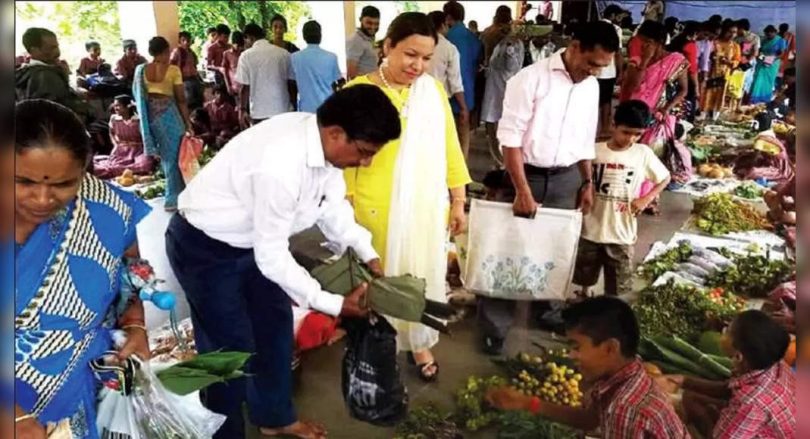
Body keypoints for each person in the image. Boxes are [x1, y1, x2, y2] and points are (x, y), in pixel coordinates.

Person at [165, 84, 401, 439]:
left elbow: (332, 207)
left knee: (274, 332)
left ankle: (274, 417)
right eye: (364, 152)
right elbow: (273, 257)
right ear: (336, 133)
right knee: (229, 350)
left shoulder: (322, 147)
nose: (366, 162)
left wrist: (367, 252)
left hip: (252, 243)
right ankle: (219, 432)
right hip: (204, 248)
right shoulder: (280, 164)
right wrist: (335, 304)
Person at [477, 21, 619, 355]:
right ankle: (495, 328)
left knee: (556, 250)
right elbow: (509, 140)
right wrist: (522, 190)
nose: (595, 72)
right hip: (525, 175)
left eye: (602, 67)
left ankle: (547, 310)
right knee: (508, 253)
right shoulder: (529, 80)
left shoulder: (590, 86)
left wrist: (586, 181)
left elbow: (585, 140)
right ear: (575, 46)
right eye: (592, 63)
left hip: (567, 177)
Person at [344, 12, 471, 382]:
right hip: (372, 207)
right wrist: (345, 205)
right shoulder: (357, 93)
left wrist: (459, 200)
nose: (418, 66)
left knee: (419, 276)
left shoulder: (432, 92)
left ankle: (418, 341)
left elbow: (450, 149)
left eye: (427, 58)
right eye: (410, 55)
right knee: (378, 281)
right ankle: (376, 348)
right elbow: (340, 160)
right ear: (387, 47)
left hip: (425, 207)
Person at [14, 99, 151, 439]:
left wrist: (135, 325)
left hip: (87, 388)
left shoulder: (108, 209)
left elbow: (130, 276)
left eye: (63, 184)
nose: (43, 198)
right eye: (23, 181)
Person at [486, 296, 689, 438]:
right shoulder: (625, 376)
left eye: (576, 347)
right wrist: (527, 403)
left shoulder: (624, 409)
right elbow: (590, 419)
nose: (570, 355)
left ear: (610, 348)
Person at [574, 101, 670, 297]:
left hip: (621, 231)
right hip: (590, 226)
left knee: (618, 282)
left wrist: (646, 198)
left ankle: (611, 307)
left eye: (637, 134)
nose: (631, 139)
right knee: (585, 271)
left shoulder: (643, 153)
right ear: (613, 125)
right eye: (626, 132)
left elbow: (665, 177)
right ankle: (584, 295)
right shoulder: (594, 151)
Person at [663, 310, 795, 438]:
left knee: (693, 405)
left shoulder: (749, 402)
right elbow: (728, 389)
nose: (723, 331)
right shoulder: (773, 363)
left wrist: (698, 414)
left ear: (738, 356)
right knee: (691, 399)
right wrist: (685, 380)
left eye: (727, 331)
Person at [623, 20, 690, 202]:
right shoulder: (636, 61)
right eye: (641, 41)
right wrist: (644, 60)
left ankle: (650, 198)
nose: (643, 45)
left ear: (659, 41)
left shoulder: (676, 61)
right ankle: (632, 193)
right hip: (636, 114)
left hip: (661, 117)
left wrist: (666, 108)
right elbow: (633, 86)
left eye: (647, 41)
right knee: (633, 154)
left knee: (654, 157)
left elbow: (684, 90)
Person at [132, 36, 192, 212]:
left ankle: (174, 196)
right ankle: (175, 198)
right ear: (166, 51)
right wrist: (187, 122)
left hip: (153, 118)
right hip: (170, 115)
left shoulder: (141, 71)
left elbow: (138, 96)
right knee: (177, 155)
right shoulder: (173, 70)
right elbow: (181, 99)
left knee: (167, 156)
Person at [15, 28, 93, 123]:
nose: (57, 52)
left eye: (57, 47)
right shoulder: (44, 76)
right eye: (51, 48)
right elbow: (54, 112)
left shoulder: (25, 74)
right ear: (34, 50)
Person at [481, 9, 524, 164]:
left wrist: (509, 47)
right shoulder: (496, 39)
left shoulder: (511, 44)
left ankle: (503, 164)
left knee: (502, 130)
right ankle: (500, 163)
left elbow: (511, 66)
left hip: (504, 90)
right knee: (495, 127)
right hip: (498, 89)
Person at [236, 23, 295, 128]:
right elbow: (291, 83)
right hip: (282, 110)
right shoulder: (284, 54)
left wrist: (242, 110)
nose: (245, 43)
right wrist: (293, 104)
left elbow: (244, 87)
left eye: (246, 39)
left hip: (259, 112)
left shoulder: (245, 56)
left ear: (251, 37)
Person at [443, 1, 481, 158]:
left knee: (446, 139)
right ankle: (462, 177)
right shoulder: (473, 38)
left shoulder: (446, 39)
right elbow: (477, 65)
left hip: (449, 96)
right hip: (468, 94)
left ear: (448, 17)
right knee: (464, 137)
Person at [93, 95, 155, 179]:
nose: (116, 108)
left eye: (118, 105)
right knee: (111, 165)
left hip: (139, 150)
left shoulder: (138, 120)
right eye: (115, 106)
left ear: (127, 107)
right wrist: (115, 144)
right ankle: (122, 170)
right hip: (121, 150)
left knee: (145, 165)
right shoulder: (114, 119)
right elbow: (111, 133)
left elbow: (147, 137)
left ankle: (123, 170)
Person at [291, 20, 342, 113]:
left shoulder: (295, 58)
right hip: (327, 107)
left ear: (304, 36)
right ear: (320, 35)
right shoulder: (331, 57)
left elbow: (292, 84)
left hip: (306, 109)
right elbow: (339, 82)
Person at [427, 11, 467, 127]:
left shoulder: (417, 43)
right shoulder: (449, 48)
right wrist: (463, 107)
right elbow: (455, 82)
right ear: (443, 24)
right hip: (438, 100)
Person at [596, 4, 625, 138]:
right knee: (606, 101)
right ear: (612, 15)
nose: (619, 19)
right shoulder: (616, 29)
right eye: (618, 16)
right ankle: (605, 128)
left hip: (593, 69)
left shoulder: (594, 26)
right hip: (608, 71)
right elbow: (618, 52)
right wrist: (621, 71)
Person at [704, 21, 740, 119]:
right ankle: (704, 114)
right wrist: (713, 57)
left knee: (720, 95)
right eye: (730, 32)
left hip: (725, 75)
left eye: (735, 32)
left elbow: (737, 61)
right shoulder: (714, 42)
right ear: (724, 31)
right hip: (711, 74)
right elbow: (706, 56)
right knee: (708, 95)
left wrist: (729, 62)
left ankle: (714, 117)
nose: (732, 35)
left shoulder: (735, 46)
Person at [668, 21, 700, 121]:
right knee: (685, 108)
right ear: (695, 33)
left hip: (670, 77)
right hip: (684, 79)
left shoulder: (676, 40)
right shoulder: (690, 45)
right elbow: (692, 69)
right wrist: (696, 87)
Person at [750, 25, 788, 105]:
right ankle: (754, 98)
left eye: (770, 34)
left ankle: (764, 98)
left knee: (768, 81)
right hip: (761, 62)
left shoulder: (780, 41)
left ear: (774, 32)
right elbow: (760, 51)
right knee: (758, 79)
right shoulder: (764, 40)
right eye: (767, 34)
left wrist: (772, 59)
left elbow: (782, 54)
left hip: (773, 63)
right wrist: (762, 57)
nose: (768, 36)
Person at [170, 31, 204, 110]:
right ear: (179, 41)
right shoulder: (177, 52)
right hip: (184, 80)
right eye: (183, 40)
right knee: (189, 101)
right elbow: (172, 65)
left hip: (194, 78)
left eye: (188, 40)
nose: (186, 43)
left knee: (199, 99)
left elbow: (194, 66)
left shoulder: (191, 52)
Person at [346, 5, 381, 79]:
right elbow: (351, 73)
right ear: (360, 20)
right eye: (369, 23)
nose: (373, 27)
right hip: (363, 87)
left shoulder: (369, 38)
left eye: (376, 24)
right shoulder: (355, 40)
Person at [204, 85, 240, 149]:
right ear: (214, 94)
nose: (220, 95)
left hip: (224, 131)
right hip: (211, 131)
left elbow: (234, 122)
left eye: (222, 93)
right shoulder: (208, 106)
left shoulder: (228, 107)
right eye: (217, 93)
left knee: (224, 134)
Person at [735, 19, 761, 102]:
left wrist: (746, 61)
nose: (736, 31)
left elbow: (755, 53)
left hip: (747, 63)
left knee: (744, 82)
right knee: (735, 82)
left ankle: (740, 102)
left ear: (742, 28)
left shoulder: (754, 37)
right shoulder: (736, 38)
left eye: (737, 28)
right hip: (736, 61)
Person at [696, 21, 719, 113]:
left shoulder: (707, 43)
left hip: (698, 70)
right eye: (713, 34)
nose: (714, 36)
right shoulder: (696, 40)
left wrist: (704, 75)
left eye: (717, 35)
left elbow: (704, 60)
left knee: (697, 91)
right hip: (692, 67)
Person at [221, 31, 245, 99]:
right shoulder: (226, 54)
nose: (239, 48)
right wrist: (228, 86)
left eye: (241, 46)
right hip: (234, 87)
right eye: (237, 45)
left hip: (246, 87)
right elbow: (225, 71)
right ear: (232, 43)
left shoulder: (246, 53)